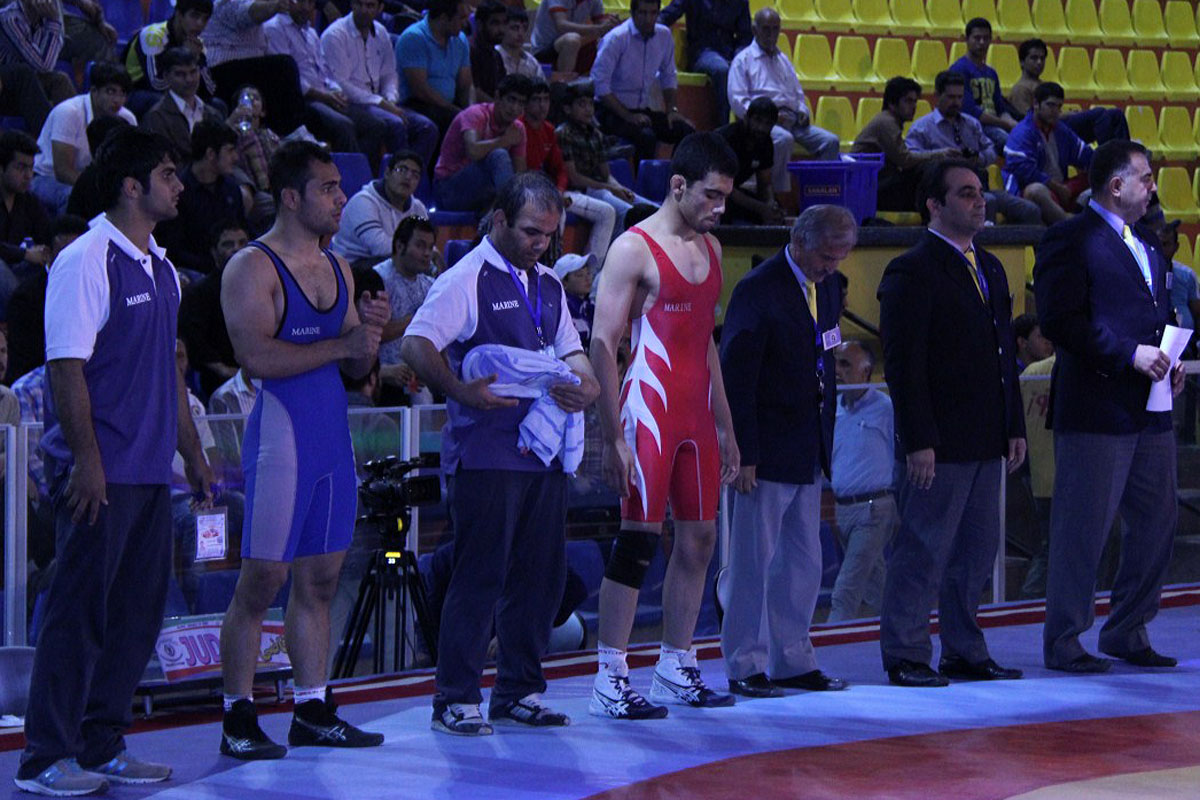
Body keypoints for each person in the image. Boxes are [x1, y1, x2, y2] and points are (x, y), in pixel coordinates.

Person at [12, 126, 215, 797]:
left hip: (152, 472)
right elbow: (65, 367)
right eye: (168, 174)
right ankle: (44, 757)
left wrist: (193, 453)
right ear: (132, 186)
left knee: (135, 617)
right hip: (100, 473)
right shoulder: (86, 259)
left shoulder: (162, 268)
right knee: (78, 615)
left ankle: (102, 743)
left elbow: (169, 373)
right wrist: (87, 463)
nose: (179, 185)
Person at [400, 171, 600, 735]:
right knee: (480, 574)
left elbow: (572, 351)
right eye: (531, 231)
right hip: (486, 451)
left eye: (549, 234)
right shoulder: (466, 277)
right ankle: (455, 697)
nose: (541, 243)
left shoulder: (549, 284)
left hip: (544, 450)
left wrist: (587, 384)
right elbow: (415, 344)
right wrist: (460, 390)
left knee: (540, 576)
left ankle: (518, 690)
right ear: (498, 220)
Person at [217, 140, 389, 759]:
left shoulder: (339, 268)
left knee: (320, 579)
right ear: (291, 197)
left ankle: (312, 707)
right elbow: (256, 357)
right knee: (262, 579)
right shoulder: (252, 267)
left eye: (341, 186)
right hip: (282, 438)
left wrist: (370, 336)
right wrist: (343, 347)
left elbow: (356, 368)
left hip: (331, 440)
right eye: (328, 188)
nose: (341, 198)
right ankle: (237, 716)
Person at [589, 132, 740, 719]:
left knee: (700, 540)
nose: (720, 208)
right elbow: (603, 343)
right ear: (678, 186)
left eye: (726, 197)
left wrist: (725, 425)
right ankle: (610, 675)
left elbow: (706, 344)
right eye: (711, 195)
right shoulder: (633, 248)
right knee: (637, 541)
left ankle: (675, 665)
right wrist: (611, 437)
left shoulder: (714, 248)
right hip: (648, 411)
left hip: (696, 415)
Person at [1035, 140, 1184, 673]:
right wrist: (1129, 353)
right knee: (1083, 529)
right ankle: (1065, 639)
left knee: (1158, 523)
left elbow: (1156, 316)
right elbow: (1059, 320)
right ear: (1116, 185)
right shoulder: (1069, 238)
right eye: (1145, 177)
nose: (1153, 186)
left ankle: (1127, 628)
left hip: (1151, 406)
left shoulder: (1147, 242)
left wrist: (1169, 358)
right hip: (1096, 407)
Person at [876, 159, 1026, 688]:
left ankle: (963, 648)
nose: (979, 200)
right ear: (934, 205)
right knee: (922, 547)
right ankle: (905, 652)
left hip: (985, 436)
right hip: (937, 441)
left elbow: (1004, 353)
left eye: (980, 191)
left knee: (976, 551)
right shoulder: (911, 270)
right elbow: (903, 365)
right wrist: (918, 439)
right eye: (965, 193)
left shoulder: (990, 266)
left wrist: (1014, 425)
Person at [719, 204, 855, 698]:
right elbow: (737, 376)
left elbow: (826, 361)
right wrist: (743, 452)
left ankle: (793, 659)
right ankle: (744, 662)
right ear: (798, 240)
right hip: (765, 450)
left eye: (839, 258)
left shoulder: (829, 288)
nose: (831, 266)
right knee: (752, 564)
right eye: (825, 256)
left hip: (807, 447)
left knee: (803, 562)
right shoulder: (758, 288)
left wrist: (825, 444)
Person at [728, 7, 839, 196]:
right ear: (755, 30)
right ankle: (776, 195)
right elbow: (738, 100)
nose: (771, 34)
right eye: (766, 29)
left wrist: (803, 112)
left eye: (775, 29)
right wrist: (768, 118)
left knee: (830, 142)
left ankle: (819, 195)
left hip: (792, 119)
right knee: (783, 139)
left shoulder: (783, 60)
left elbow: (798, 95)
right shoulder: (743, 60)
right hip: (763, 123)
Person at [906, 71, 1040, 226]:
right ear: (937, 96)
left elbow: (990, 150)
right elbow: (912, 157)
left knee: (1030, 210)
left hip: (979, 185)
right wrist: (942, 156)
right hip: (945, 193)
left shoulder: (971, 123)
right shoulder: (922, 127)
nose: (956, 102)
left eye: (959, 97)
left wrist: (978, 158)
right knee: (988, 201)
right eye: (951, 97)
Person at [321, 0, 438, 174]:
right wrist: (382, 103)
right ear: (352, 4)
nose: (363, 10)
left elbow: (389, 74)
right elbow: (342, 84)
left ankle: (412, 178)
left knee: (427, 128)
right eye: (359, 4)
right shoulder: (335, 34)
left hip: (381, 101)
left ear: (380, 8)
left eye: (370, 6)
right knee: (395, 124)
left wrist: (390, 99)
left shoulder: (381, 32)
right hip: (352, 102)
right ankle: (394, 180)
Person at [828, 340, 898, 623]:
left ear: (866, 372)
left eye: (845, 364)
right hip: (842, 511)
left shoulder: (886, 409)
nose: (837, 370)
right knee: (875, 585)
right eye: (835, 363)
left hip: (873, 510)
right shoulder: (832, 409)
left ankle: (831, 641)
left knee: (847, 589)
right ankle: (900, 629)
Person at [521, 77, 616, 262]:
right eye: (536, 100)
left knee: (607, 212)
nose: (542, 105)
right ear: (526, 103)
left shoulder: (549, 130)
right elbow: (522, 174)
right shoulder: (519, 127)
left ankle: (591, 273)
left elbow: (561, 170)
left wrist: (559, 191)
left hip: (555, 192)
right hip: (531, 193)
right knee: (557, 212)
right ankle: (550, 267)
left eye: (546, 99)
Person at [592, 0, 694, 165]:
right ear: (633, 13)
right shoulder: (616, 38)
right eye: (643, 13)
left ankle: (676, 177)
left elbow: (668, 75)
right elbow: (599, 85)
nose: (648, 19)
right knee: (646, 137)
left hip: (642, 111)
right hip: (610, 111)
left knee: (686, 132)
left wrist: (671, 110)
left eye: (653, 13)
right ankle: (644, 180)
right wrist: (628, 116)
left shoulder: (664, 36)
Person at [31, 61, 136, 215]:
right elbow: (63, 171)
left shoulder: (127, 118)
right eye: (111, 91)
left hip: (92, 179)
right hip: (47, 177)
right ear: (94, 91)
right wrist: (96, 189)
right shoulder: (68, 112)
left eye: (122, 94)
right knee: (72, 195)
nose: (117, 100)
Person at [154, 120, 252, 275]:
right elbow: (173, 250)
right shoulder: (177, 194)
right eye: (230, 151)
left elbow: (244, 229)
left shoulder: (231, 188)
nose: (236, 157)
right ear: (211, 154)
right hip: (194, 273)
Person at [261, 0, 358, 153]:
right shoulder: (274, 28)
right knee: (343, 126)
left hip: (325, 95)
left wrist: (336, 90)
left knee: (374, 125)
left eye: (310, 3)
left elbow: (325, 71)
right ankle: (339, 169)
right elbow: (286, 78)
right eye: (301, 2)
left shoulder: (311, 32)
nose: (306, 8)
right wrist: (324, 96)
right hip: (302, 100)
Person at [557, 82, 654, 233]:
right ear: (567, 108)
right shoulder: (564, 134)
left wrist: (618, 188)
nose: (588, 109)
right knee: (628, 212)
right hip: (583, 191)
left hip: (603, 188)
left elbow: (606, 174)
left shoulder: (596, 134)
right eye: (582, 104)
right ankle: (617, 248)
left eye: (590, 104)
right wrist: (611, 189)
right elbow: (574, 178)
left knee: (652, 210)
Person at [201, 0, 306, 134]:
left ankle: (294, 133)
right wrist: (275, 5)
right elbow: (247, 14)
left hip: (247, 68)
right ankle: (292, 133)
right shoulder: (224, 3)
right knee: (284, 67)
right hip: (222, 72)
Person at [6, 213, 86, 384]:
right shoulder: (26, 299)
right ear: (48, 254)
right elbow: (24, 366)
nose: (75, 261)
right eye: (67, 254)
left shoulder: (102, 288)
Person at [433, 73, 531, 212]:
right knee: (499, 155)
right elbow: (473, 151)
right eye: (511, 100)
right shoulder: (475, 114)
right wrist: (504, 140)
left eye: (521, 103)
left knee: (522, 183)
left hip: (482, 191)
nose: (514, 108)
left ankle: (504, 213)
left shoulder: (517, 129)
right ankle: (509, 212)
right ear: (497, 97)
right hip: (447, 189)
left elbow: (520, 173)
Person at [853, 76, 950, 213]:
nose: (914, 106)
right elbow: (905, 160)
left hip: (875, 182)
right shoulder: (887, 123)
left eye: (915, 101)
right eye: (908, 101)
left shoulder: (887, 120)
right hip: (871, 188)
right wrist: (939, 154)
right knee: (928, 171)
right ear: (892, 103)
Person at [1002, 82, 1094, 225]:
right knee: (1035, 190)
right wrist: (1056, 187)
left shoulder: (1061, 130)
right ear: (1036, 104)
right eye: (1050, 105)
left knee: (1102, 177)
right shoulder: (1022, 132)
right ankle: (1069, 224)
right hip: (1033, 194)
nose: (1055, 111)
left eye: (1059, 106)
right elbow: (1023, 171)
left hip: (1062, 190)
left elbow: (1085, 154)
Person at [1008, 38, 1128, 146]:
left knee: (1116, 114)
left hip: (1060, 125)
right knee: (1100, 114)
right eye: (1034, 58)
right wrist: (1067, 115)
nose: (1039, 62)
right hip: (1050, 131)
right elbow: (1029, 120)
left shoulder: (1043, 85)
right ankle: (1108, 158)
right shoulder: (1020, 89)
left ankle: (1125, 155)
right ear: (1022, 62)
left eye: (1042, 58)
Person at [178, 219, 249, 397]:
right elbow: (194, 340)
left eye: (242, 243)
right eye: (228, 244)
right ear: (214, 252)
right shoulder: (199, 293)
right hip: (219, 384)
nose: (237, 249)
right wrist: (223, 370)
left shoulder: (264, 285)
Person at [658, 0, 750, 129]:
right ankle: (723, 129)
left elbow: (745, 38)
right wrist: (649, 26)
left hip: (730, 54)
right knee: (721, 69)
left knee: (748, 66)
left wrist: (738, 59)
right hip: (702, 53)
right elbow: (668, 15)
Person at [372, 214, 435, 403]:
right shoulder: (376, 279)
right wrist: (416, 320)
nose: (427, 253)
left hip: (419, 377)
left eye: (430, 247)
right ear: (400, 246)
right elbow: (370, 335)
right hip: (381, 376)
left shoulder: (431, 286)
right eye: (420, 246)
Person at [332, 148, 428, 267]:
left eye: (415, 175)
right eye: (402, 170)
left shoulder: (418, 208)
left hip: (392, 263)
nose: (408, 177)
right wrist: (420, 252)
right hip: (352, 266)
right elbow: (380, 248)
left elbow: (427, 244)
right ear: (387, 173)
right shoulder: (363, 202)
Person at [124, 0, 217, 116]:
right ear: (179, 14)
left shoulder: (197, 45)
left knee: (216, 105)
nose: (200, 23)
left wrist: (196, 59)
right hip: (136, 92)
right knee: (165, 102)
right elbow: (156, 84)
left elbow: (210, 90)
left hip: (177, 93)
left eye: (205, 19)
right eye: (194, 16)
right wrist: (185, 56)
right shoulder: (153, 35)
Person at [394, 0, 472, 137]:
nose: (466, 23)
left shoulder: (461, 40)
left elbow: (465, 85)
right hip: (416, 104)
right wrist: (456, 111)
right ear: (443, 18)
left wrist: (471, 112)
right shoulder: (414, 37)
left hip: (449, 106)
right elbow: (420, 90)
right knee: (452, 121)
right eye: (461, 18)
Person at [139, 47, 227, 162]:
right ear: (166, 76)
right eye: (180, 74)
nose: (189, 79)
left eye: (193, 72)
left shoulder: (212, 113)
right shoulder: (156, 117)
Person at [950, 17, 1019, 151]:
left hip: (996, 124)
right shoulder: (959, 70)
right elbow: (970, 111)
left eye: (986, 38)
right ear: (967, 39)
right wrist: (1005, 124)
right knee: (1011, 143)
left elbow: (1001, 109)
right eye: (977, 38)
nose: (982, 42)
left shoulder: (991, 73)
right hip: (973, 126)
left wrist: (1014, 124)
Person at [716, 96, 782, 224]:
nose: (761, 127)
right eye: (757, 120)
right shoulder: (727, 138)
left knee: (776, 214)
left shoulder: (766, 142)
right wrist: (761, 208)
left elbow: (765, 183)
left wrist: (770, 204)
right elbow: (723, 187)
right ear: (746, 118)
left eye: (767, 123)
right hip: (711, 191)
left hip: (733, 191)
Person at [0, 0, 73, 104]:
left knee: (61, 79)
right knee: (33, 75)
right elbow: (44, 66)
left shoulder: (45, 13)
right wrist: (53, 21)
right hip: (7, 81)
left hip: (30, 76)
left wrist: (54, 20)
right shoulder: (10, 18)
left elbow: (47, 61)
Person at [0, 129, 50, 274]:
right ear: (1, 168)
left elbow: (47, 233)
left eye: (31, 168)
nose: (28, 175)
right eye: (20, 168)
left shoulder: (28, 201)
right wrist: (24, 254)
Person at [530, 0, 618, 75]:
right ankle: (562, 85)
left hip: (573, 47)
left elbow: (601, 25)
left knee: (610, 36)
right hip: (544, 50)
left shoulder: (595, 1)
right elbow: (562, 26)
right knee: (572, 40)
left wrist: (610, 23)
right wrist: (599, 29)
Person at [470, 0, 507, 100]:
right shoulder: (470, 52)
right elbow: (473, 91)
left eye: (504, 23)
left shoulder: (496, 55)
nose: (501, 29)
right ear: (480, 24)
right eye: (495, 23)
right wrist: (496, 107)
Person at [496, 7, 541, 80]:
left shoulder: (532, 62)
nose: (521, 33)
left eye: (524, 28)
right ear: (503, 29)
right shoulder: (493, 58)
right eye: (515, 28)